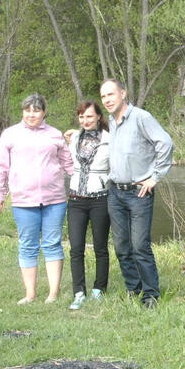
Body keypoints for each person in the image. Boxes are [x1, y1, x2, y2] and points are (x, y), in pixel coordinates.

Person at [0, 94, 74, 305]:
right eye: (27, 110)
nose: (31, 114)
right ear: (22, 111)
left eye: (36, 110)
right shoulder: (10, 135)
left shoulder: (55, 135)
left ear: (44, 112)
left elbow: (70, 165)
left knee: (53, 244)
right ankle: (30, 294)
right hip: (23, 201)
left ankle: (53, 293)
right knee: (27, 245)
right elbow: (0, 167)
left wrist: (86, 185)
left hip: (54, 199)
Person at [100, 79, 173, 307]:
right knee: (122, 246)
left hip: (139, 193)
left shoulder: (141, 117)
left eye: (111, 94)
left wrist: (154, 177)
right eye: (104, 97)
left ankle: (151, 294)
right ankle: (134, 288)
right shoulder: (111, 122)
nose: (107, 100)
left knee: (140, 245)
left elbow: (165, 143)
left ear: (123, 93)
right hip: (115, 193)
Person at [65, 100, 111, 311]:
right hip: (75, 200)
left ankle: (99, 289)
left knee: (101, 247)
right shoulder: (73, 137)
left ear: (99, 117)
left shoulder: (110, 140)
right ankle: (79, 292)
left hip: (100, 198)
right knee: (76, 248)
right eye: (82, 116)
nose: (85, 120)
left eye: (89, 116)